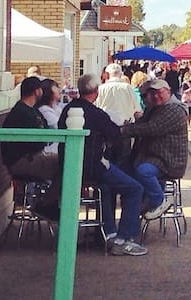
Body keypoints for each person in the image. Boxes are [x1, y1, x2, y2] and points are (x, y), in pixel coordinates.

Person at [57, 74, 147, 256]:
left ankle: (108, 233)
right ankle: (124, 239)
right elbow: (115, 135)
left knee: (106, 188)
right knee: (134, 188)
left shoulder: (67, 109)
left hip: (68, 166)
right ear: (96, 92)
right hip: (94, 166)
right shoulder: (97, 114)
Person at [120, 79, 189, 220]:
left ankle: (159, 201)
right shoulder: (155, 108)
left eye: (159, 92)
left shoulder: (175, 110)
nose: (155, 96)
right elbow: (141, 123)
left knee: (143, 172)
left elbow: (151, 128)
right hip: (154, 156)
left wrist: (123, 130)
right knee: (122, 172)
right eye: (151, 94)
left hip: (169, 160)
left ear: (168, 91)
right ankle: (132, 219)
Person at [2, 77, 59, 216]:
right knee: (66, 165)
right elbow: (34, 141)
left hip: (32, 157)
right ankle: (46, 204)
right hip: (23, 161)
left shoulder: (31, 110)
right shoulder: (21, 113)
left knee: (67, 163)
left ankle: (49, 203)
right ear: (37, 91)